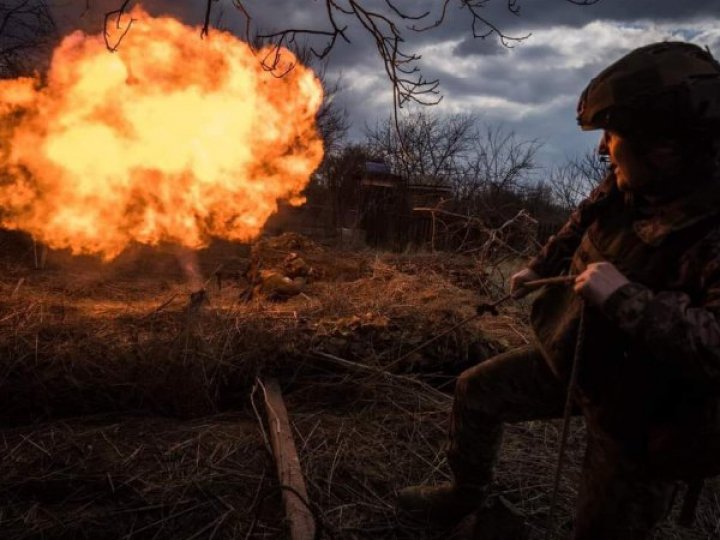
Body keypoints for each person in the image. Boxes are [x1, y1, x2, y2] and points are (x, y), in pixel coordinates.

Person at [396, 41, 720, 539]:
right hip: (580, 360)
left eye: (613, 134)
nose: (602, 148)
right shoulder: (632, 181)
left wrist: (624, 297)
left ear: (666, 146)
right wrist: (537, 266)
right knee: (476, 390)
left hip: (645, 415)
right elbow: (579, 225)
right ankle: (463, 495)